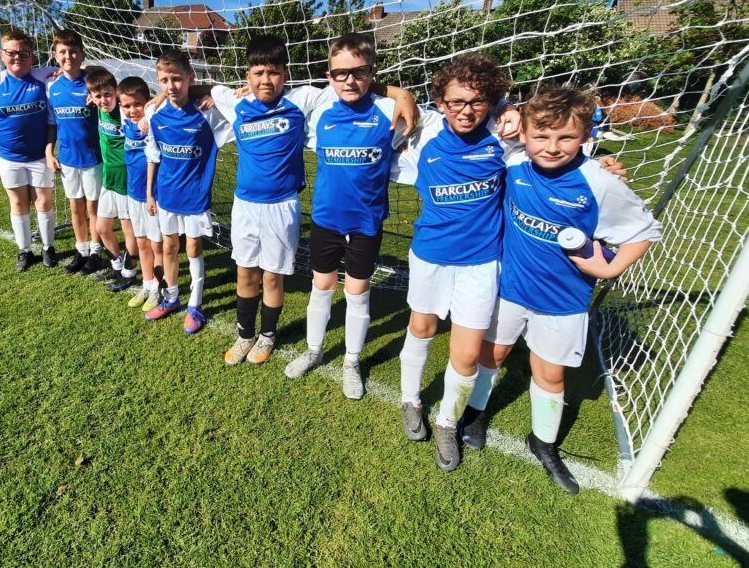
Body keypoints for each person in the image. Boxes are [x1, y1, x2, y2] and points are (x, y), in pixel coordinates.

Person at [478, 86, 660, 494]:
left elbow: (644, 231)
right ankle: (475, 414)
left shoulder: (599, 182)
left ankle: (542, 441)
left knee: (550, 373)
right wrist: (507, 109)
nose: (553, 147)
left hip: (563, 300)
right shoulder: (513, 164)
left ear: (585, 138)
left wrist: (610, 267)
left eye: (566, 137)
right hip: (509, 287)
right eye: (542, 136)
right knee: (492, 353)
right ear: (524, 134)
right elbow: (475, 119)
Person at [203, 35, 417, 366]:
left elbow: (353, 82)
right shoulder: (235, 102)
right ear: (246, 76)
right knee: (245, 274)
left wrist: (401, 92)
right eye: (257, 72)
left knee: (273, 276)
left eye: (273, 72)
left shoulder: (303, 99)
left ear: (286, 74)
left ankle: (268, 336)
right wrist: (167, 93)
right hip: (243, 205)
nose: (265, 80)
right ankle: (245, 334)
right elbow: (200, 87)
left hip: (283, 206)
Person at [391, 53, 521, 470]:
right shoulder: (422, 139)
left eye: (477, 102)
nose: (466, 110)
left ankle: (448, 422)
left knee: (466, 356)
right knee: (422, 328)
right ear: (440, 103)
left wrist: (514, 110)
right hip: (430, 256)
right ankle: (410, 399)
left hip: (481, 263)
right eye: (456, 102)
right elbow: (363, 95)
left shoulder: (502, 139)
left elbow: (558, 133)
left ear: (492, 103)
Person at [282, 33, 400, 399]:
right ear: (329, 76)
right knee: (321, 288)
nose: (350, 80)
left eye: (359, 72)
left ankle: (351, 360)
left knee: (357, 293)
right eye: (340, 73)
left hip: (366, 223)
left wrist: (403, 95)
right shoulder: (318, 109)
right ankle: (314, 350)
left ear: (372, 73)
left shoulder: (388, 110)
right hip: (325, 220)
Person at [143, 51, 233, 334]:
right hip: (167, 196)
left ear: (190, 79)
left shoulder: (209, 114)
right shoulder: (154, 113)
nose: (171, 86)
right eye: (165, 80)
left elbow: (240, 110)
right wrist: (150, 194)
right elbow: (154, 155)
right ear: (158, 81)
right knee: (169, 247)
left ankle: (195, 305)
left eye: (178, 79)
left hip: (195, 199)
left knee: (193, 248)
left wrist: (215, 96)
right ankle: (171, 298)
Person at [0, 29, 59, 270]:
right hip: (9, 157)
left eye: (24, 53)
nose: (17, 57)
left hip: (40, 156)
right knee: (18, 203)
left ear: (32, 56)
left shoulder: (45, 77)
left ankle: (48, 248)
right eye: (11, 53)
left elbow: (74, 72)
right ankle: (24, 250)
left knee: (43, 202)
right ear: (2, 55)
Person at [48, 29, 105, 276]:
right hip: (68, 159)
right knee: (75, 207)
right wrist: (49, 151)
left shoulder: (94, 84)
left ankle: (95, 251)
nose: (68, 56)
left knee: (94, 209)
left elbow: (110, 89)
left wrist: (97, 92)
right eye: (62, 52)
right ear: (55, 55)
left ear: (82, 55)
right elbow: (52, 124)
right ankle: (81, 249)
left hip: (93, 158)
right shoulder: (52, 87)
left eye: (73, 52)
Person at [86, 69, 141, 292]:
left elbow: (147, 104)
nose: (103, 100)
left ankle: (130, 271)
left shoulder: (125, 112)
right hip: (109, 177)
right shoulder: (99, 109)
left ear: (116, 93)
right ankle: (117, 264)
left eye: (108, 94)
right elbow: (89, 78)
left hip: (127, 179)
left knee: (129, 229)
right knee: (101, 226)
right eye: (97, 96)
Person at [118, 76, 166, 311]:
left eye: (137, 104)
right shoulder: (124, 120)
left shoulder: (152, 120)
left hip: (153, 195)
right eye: (127, 105)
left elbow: (164, 96)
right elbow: (105, 92)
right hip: (133, 193)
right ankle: (147, 285)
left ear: (146, 103)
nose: (132, 110)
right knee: (142, 242)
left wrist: (150, 107)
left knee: (157, 246)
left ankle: (158, 288)